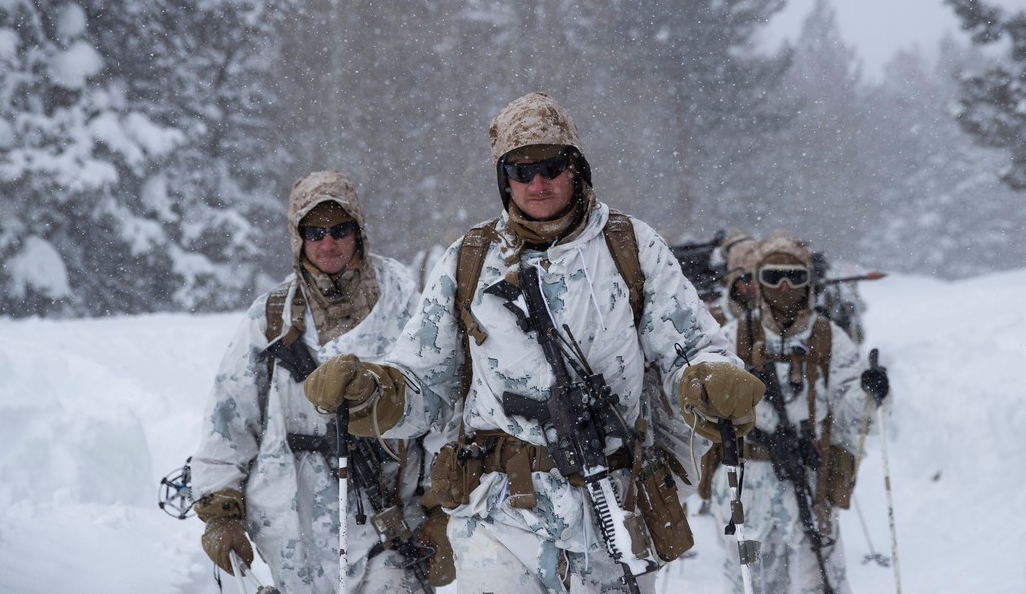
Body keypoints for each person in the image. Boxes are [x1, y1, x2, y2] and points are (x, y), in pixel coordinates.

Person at [302, 92, 764, 594]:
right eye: (521, 171)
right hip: (498, 515)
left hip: (612, 507)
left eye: (551, 166)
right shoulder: (469, 261)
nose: (538, 183)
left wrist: (710, 379)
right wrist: (373, 389)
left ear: (577, 168)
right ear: (505, 181)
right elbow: (423, 378)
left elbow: (690, 348)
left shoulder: (630, 246)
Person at [189, 170, 445, 594]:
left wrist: (440, 511)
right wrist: (221, 511)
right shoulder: (270, 318)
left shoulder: (407, 308)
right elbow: (229, 417)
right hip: (291, 536)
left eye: (340, 229)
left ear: (358, 231)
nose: (328, 244)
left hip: (390, 527)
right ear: (298, 237)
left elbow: (439, 408)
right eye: (315, 232)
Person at [705, 230, 889, 594]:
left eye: (795, 278)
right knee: (752, 584)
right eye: (773, 277)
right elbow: (702, 410)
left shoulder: (828, 337)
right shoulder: (731, 337)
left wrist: (870, 392)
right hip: (748, 488)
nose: (785, 287)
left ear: (809, 283)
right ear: (758, 281)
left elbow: (851, 409)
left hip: (810, 478)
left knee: (820, 582)